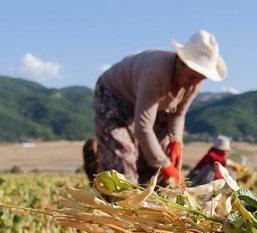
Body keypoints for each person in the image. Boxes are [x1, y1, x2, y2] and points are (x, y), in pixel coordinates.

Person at [87, 30, 227, 187]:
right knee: (123, 156)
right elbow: (143, 128)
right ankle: (118, 197)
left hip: (152, 103)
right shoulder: (155, 74)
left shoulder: (193, 83)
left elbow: (178, 114)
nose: (194, 84)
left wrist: (176, 141)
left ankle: (151, 194)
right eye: (192, 77)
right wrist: (164, 164)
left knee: (160, 151)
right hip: (116, 95)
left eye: (201, 79)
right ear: (180, 63)